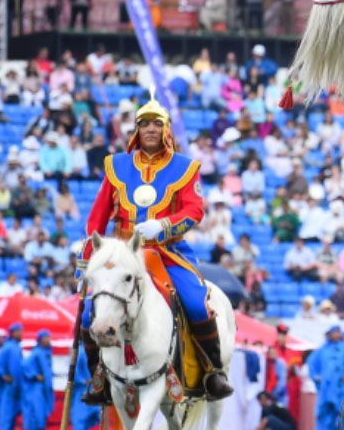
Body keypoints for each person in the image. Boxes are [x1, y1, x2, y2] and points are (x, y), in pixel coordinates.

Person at [76, 92, 233, 405]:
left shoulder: (185, 168)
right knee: (87, 316)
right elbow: (96, 220)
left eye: (156, 124)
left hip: (167, 251)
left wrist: (164, 226)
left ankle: (212, 372)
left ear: (166, 129)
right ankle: (99, 378)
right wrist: (85, 266)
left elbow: (194, 212)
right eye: (144, 123)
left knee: (197, 303)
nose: (150, 129)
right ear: (136, 129)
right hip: (120, 254)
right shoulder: (115, 166)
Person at [307, 325, 344, 430]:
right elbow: (312, 364)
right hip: (326, 388)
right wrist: (316, 376)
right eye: (333, 332)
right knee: (322, 413)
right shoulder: (322, 349)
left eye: (337, 332)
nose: (335, 335)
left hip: (340, 387)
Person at [21, 330, 53, 430]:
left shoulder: (47, 352)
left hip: (45, 389)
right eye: (47, 338)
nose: (49, 340)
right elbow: (24, 365)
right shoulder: (37, 352)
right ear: (40, 339)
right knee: (36, 412)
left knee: (43, 413)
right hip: (36, 388)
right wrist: (35, 375)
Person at [71, 342, 101, 430]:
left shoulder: (95, 349)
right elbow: (73, 370)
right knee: (80, 413)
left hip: (93, 387)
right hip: (81, 388)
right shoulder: (78, 352)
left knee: (93, 412)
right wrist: (83, 381)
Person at [0, 324, 23, 430]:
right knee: (6, 411)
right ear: (12, 333)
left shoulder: (17, 347)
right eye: (18, 331)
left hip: (17, 386)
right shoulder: (7, 347)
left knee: (13, 412)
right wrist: (3, 375)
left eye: (21, 331)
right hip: (8, 386)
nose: (20, 333)